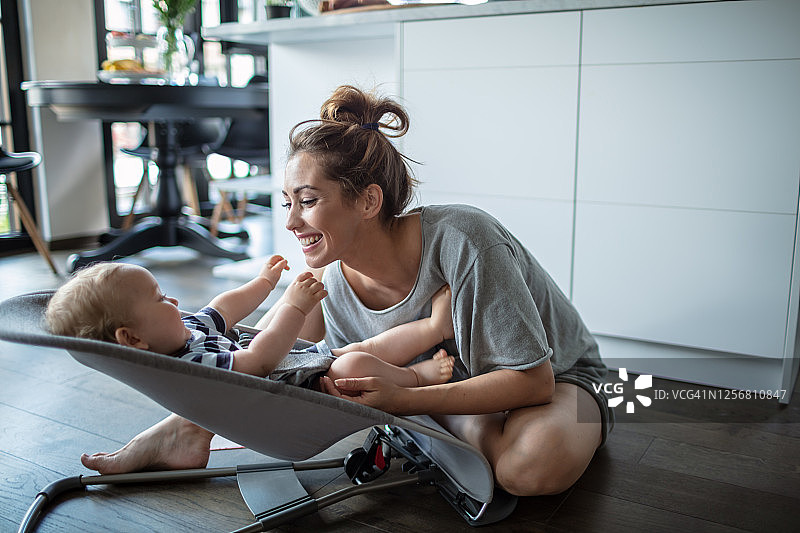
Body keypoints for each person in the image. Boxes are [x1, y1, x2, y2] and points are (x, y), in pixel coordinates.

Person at [81, 85, 612, 497]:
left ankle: (438, 422)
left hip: (557, 380)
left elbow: (531, 382)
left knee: (529, 469)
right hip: (451, 392)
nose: (290, 221)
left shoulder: (463, 240)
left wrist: (405, 399)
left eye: (307, 201)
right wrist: (184, 422)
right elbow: (261, 367)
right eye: (286, 201)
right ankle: (184, 433)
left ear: (368, 200)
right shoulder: (327, 276)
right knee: (329, 367)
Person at [46, 256, 456, 392]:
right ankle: (417, 379)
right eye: (158, 299)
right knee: (353, 366)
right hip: (301, 386)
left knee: (361, 351)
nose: (172, 300)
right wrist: (293, 307)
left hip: (301, 360)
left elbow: (223, 307)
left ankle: (435, 327)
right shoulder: (193, 364)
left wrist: (263, 283)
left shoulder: (185, 330)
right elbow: (258, 362)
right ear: (132, 337)